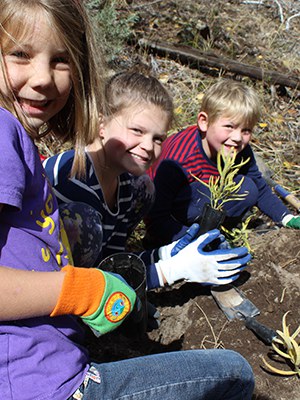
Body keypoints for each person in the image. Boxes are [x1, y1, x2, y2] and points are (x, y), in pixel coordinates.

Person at [0, 1, 255, 399]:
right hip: (42, 381)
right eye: (19, 54)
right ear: (102, 123)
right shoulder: (68, 182)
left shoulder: (136, 191)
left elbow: (114, 264)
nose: (42, 79)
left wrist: (169, 257)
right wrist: (159, 276)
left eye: (159, 139)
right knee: (235, 375)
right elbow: (92, 276)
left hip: (55, 355)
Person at [44, 71, 252, 290]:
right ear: (101, 123)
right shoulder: (74, 184)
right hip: (51, 284)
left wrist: (166, 253)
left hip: (88, 272)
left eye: (158, 138)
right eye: (137, 130)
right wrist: (170, 271)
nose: (148, 146)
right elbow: (86, 286)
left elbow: (109, 261)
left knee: (144, 187)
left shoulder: (126, 183)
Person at [144, 79, 300, 248]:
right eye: (229, 126)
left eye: (246, 130)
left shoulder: (238, 149)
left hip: (202, 201)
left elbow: (260, 187)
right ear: (204, 122)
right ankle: (190, 241)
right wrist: (192, 241)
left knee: (247, 187)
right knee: (204, 198)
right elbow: (155, 216)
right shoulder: (180, 159)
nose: (238, 137)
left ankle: (214, 233)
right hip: (165, 212)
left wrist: (287, 217)